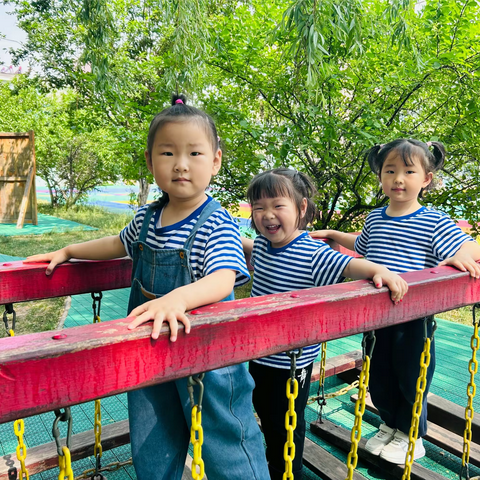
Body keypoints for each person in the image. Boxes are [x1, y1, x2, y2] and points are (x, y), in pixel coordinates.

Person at [25, 94, 270, 480]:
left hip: (208, 359)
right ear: (150, 161)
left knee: (225, 441)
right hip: (150, 352)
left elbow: (223, 277)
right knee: (152, 438)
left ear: (216, 161)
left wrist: (177, 299)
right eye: (168, 153)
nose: (181, 165)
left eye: (195, 153)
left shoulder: (216, 222)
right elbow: (116, 244)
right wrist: (70, 250)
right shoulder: (146, 219)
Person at [310, 139, 480, 464]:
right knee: (378, 376)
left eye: (408, 171)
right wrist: (334, 234)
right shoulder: (376, 218)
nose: (398, 178)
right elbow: (361, 244)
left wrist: (458, 256)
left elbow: (473, 249)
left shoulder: (433, 221)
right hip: (375, 317)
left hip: (412, 318)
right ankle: (389, 425)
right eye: (390, 170)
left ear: (425, 179)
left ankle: (411, 436)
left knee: (411, 376)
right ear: (381, 176)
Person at [242, 167, 408, 480]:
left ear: (301, 208)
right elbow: (248, 247)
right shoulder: (263, 245)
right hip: (256, 355)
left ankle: (287, 472)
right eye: (259, 207)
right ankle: (269, 464)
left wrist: (380, 271)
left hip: (291, 362)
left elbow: (350, 264)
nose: (267, 215)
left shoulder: (312, 252)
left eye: (278, 206)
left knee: (286, 423)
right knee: (262, 412)